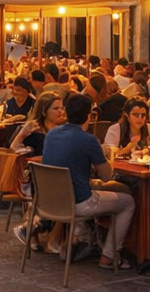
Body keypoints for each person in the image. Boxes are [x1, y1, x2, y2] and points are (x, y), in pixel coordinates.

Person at [38, 93, 135, 269]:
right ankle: (109, 256)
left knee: (91, 187)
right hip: (77, 203)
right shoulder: (89, 140)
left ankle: (80, 239)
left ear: (66, 112)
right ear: (89, 116)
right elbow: (106, 176)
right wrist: (108, 156)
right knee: (128, 201)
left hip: (49, 202)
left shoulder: (51, 134)